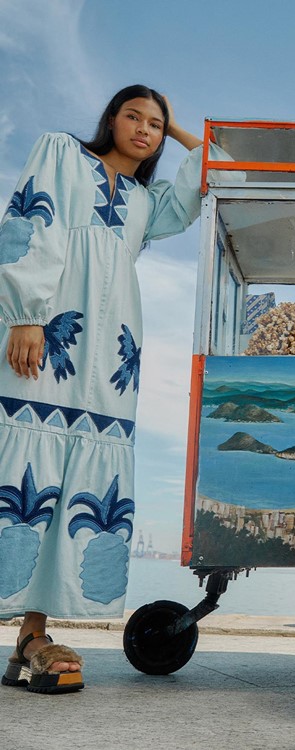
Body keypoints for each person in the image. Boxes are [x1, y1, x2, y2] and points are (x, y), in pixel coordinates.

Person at [0, 84, 240, 694]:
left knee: (78, 478)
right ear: (110, 119)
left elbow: (217, 163)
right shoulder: (62, 153)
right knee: (21, 465)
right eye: (133, 115)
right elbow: (30, 222)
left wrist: (183, 128)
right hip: (49, 332)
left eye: (156, 124)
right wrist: (24, 314)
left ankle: (31, 637)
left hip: (112, 358)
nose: (144, 128)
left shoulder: (145, 203)